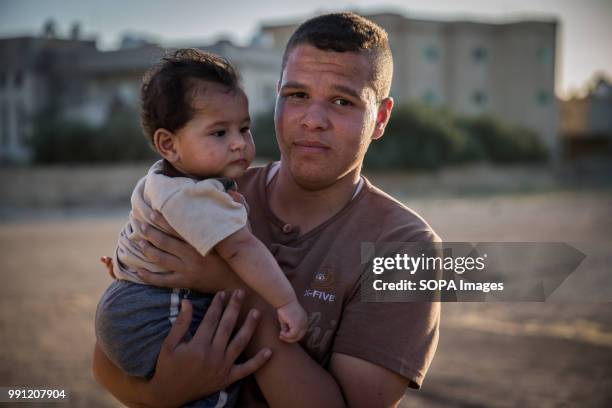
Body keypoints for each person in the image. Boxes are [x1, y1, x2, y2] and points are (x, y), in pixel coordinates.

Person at [93, 12, 440, 407]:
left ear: (380, 117)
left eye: (342, 101)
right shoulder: (206, 193)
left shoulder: (407, 248)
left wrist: (234, 288)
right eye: (297, 95)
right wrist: (159, 394)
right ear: (276, 96)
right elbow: (104, 359)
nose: (313, 120)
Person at [94, 48, 307, 407]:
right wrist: (286, 302)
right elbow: (242, 248)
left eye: (244, 128)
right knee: (215, 385)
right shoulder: (196, 195)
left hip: (126, 304)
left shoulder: (161, 179)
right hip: (157, 315)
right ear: (168, 144)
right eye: (219, 133)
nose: (239, 142)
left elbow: (143, 232)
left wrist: (126, 266)